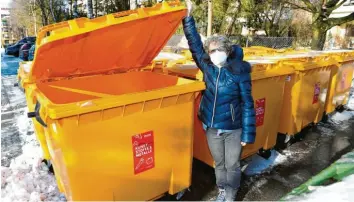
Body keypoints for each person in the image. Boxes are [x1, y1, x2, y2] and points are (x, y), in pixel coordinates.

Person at [182, 0, 256, 201]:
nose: (215, 54)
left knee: (232, 165)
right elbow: (195, 44)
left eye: (218, 49)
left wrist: (247, 134)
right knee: (219, 163)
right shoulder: (208, 67)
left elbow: (248, 103)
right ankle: (222, 189)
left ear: (227, 50)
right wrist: (188, 17)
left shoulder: (239, 71)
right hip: (212, 127)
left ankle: (231, 194)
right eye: (212, 50)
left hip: (233, 128)